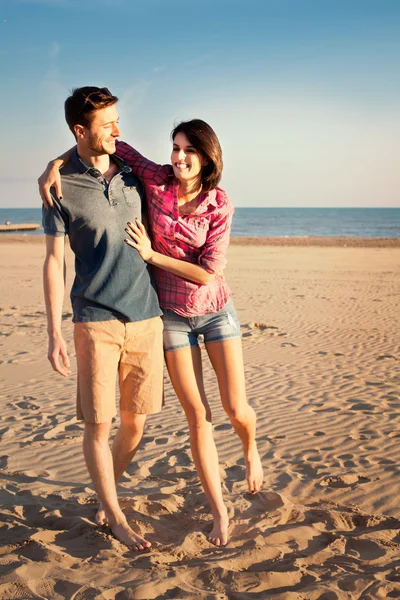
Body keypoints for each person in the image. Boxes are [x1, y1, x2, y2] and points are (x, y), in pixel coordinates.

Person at [40, 116, 264, 547]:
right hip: (171, 317)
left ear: (206, 156)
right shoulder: (155, 179)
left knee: (237, 409)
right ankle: (220, 512)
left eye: (188, 150)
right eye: (175, 147)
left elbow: (208, 274)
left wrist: (151, 255)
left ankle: (251, 448)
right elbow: (104, 144)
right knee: (198, 416)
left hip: (216, 310)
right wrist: (54, 161)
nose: (178, 157)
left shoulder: (220, 203)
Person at [41, 86, 164, 551]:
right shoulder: (60, 185)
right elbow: (54, 261)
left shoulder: (133, 171)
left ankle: (104, 493)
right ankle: (114, 515)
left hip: (146, 315)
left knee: (136, 421)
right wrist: (54, 330)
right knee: (99, 423)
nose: (118, 130)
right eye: (107, 124)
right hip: (94, 317)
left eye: (117, 119)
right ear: (81, 130)